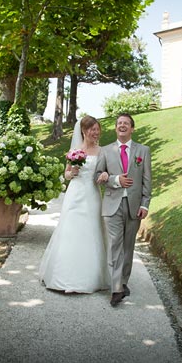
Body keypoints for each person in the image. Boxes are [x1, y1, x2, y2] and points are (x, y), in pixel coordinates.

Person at [39, 116, 110, 293]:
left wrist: (105, 176)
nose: (96, 132)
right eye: (92, 129)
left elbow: (106, 172)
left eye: (97, 129)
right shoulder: (75, 151)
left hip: (92, 195)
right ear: (84, 131)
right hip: (75, 194)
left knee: (91, 229)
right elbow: (66, 175)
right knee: (70, 229)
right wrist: (73, 172)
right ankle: (64, 276)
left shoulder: (103, 151)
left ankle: (91, 277)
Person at [95, 113, 152, 307]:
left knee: (128, 247)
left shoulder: (143, 151)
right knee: (115, 247)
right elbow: (97, 176)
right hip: (112, 205)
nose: (122, 125)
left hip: (134, 207)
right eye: (119, 123)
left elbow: (147, 181)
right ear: (115, 128)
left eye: (126, 123)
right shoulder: (105, 150)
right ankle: (116, 288)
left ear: (132, 128)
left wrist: (145, 204)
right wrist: (115, 180)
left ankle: (123, 281)